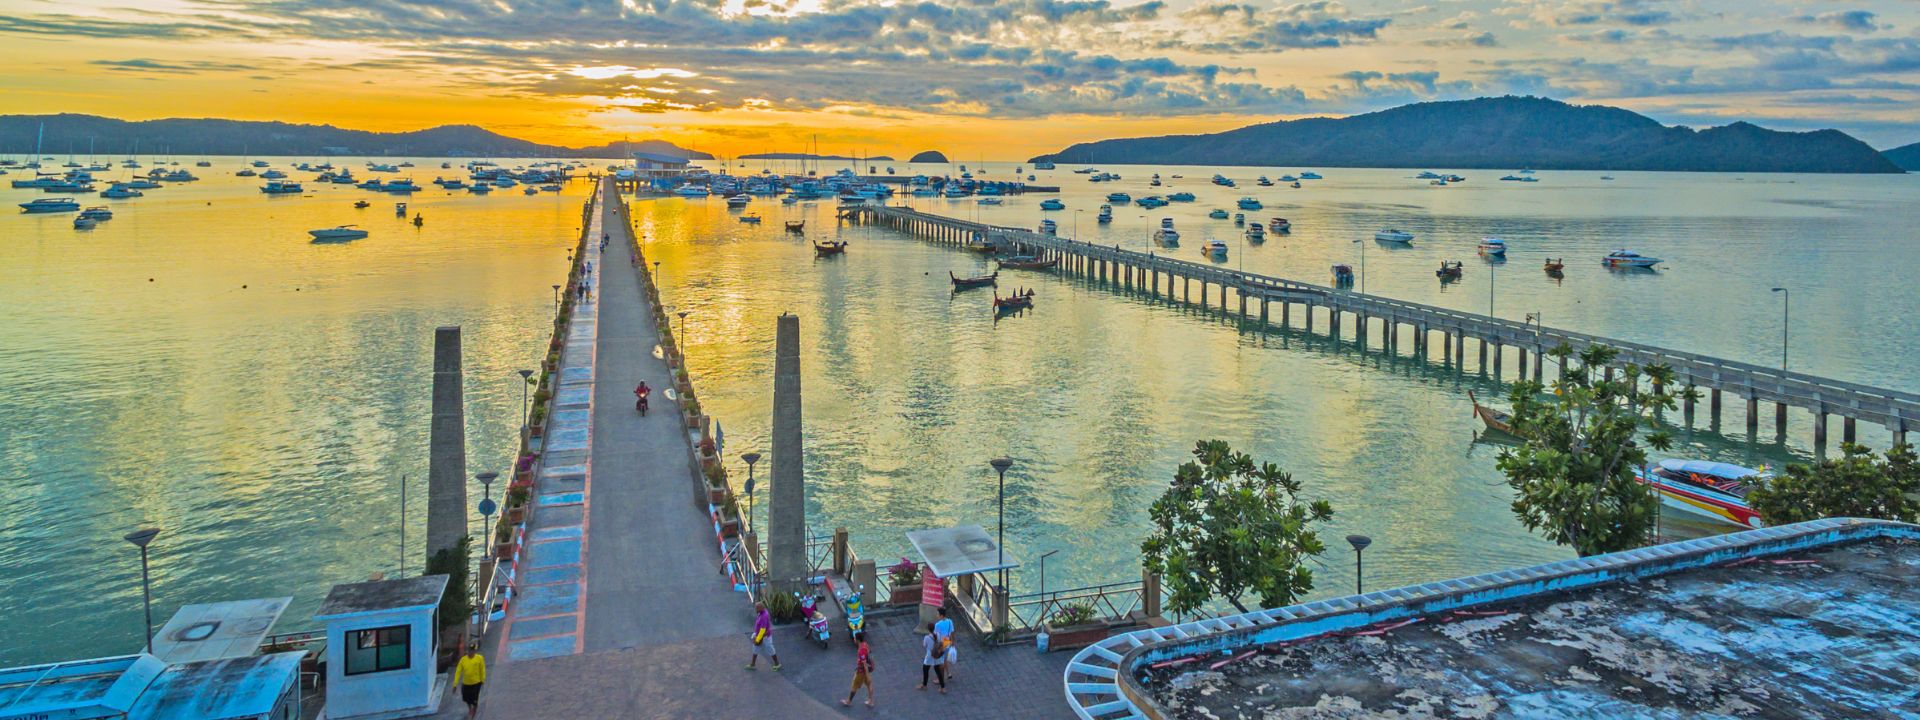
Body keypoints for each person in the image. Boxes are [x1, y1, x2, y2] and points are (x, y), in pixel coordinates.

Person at [843, 631, 875, 707]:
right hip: (866, 669)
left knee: (854, 686)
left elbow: (864, 664)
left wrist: (867, 675)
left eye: (854, 638)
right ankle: (871, 701)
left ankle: (848, 701)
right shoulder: (865, 644)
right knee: (869, 684)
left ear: (857, 640)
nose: (853, 639)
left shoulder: (861, 651)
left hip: (861, 671)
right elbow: (869, 652)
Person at [452, 645, 486, 719]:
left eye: (472, 650)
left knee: (474, 699)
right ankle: (470, 708)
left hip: (476, 683)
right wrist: (455, 684)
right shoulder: (463, 660)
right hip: (466, 683)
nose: (470, 652)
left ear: (474, 651)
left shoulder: (479, 658)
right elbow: (458, 671)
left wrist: (483, 679)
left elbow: (482, 669)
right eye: (469, 650)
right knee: (466, 698)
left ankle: (473, 714)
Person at [747, 602, 780, 670]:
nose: (755, 609)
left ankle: (777, 664)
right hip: (759, 635)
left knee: (770, 649)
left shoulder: (764, 616)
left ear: (760, 608)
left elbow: (762, 630)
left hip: (765, 637)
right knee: (755, 649)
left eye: (756, 608)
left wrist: (757, 639)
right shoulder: (761, 613)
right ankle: (753, 664)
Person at [918, 622, 947, 693]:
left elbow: (924, 645)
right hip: (937, 656)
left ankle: (924, 685)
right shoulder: (939, 635)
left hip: (929, 656)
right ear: (934, 628)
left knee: (925, 670)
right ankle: (942, 688)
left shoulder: (927, 637)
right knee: (938, 672)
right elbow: (943, 642)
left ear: (928, 629)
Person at [934, 607, 957, 680]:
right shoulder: (950, 621)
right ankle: (948, 673)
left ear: (941, 615)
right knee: (944, 659)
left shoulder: (938, 624)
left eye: (938, 614)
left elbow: (935, 635)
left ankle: (940, 678)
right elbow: (952, 632)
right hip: (948, 641)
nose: (937, 615)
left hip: (941, 643)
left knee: (940, 661)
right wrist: (953, 642)